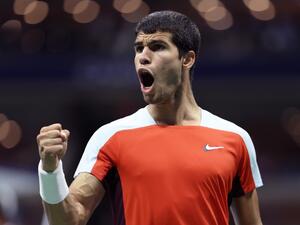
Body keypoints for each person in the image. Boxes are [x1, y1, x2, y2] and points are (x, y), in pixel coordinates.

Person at [36, 10, 263, 225]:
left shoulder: (235, 139)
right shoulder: (110, 137)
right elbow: (69, 220)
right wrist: (49, 170)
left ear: (187, 59)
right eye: (138, 48)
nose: (143, 57)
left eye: (157, 46)